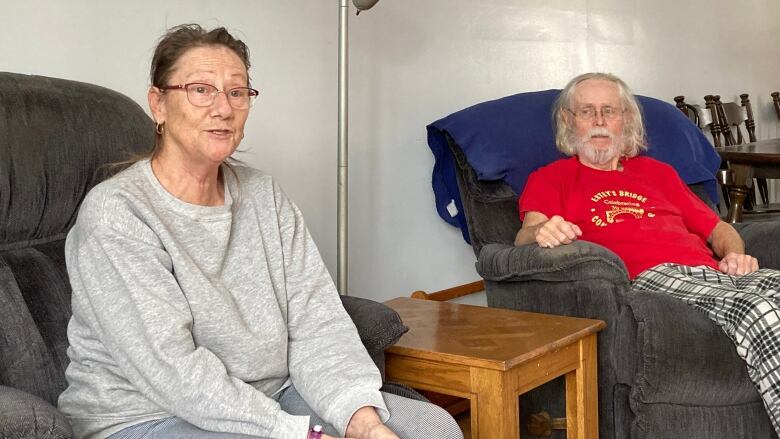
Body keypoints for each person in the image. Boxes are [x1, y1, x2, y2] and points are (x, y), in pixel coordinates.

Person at [58, 24, 462, 439]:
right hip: (147, 414)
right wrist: (298, 434)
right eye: (200, 89)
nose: (223, 108)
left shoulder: (263, 194)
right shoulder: (118, 213)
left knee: (431, 428)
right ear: (158, 104)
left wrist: (363, 421)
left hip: (273, 393)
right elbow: (172, 371)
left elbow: (316, 320)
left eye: (237, 92)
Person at [514, 72, 780, 434]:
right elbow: (523, 238)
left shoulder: (659, 173)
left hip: (712, 273)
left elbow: (720, 229)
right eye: (586, 111)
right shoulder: (552, 178)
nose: (598, 121)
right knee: (760, 310)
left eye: (609, 110)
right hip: (650, 278)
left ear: (626, 119)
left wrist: (735, 254)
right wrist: (541, 231)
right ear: (567, 121)